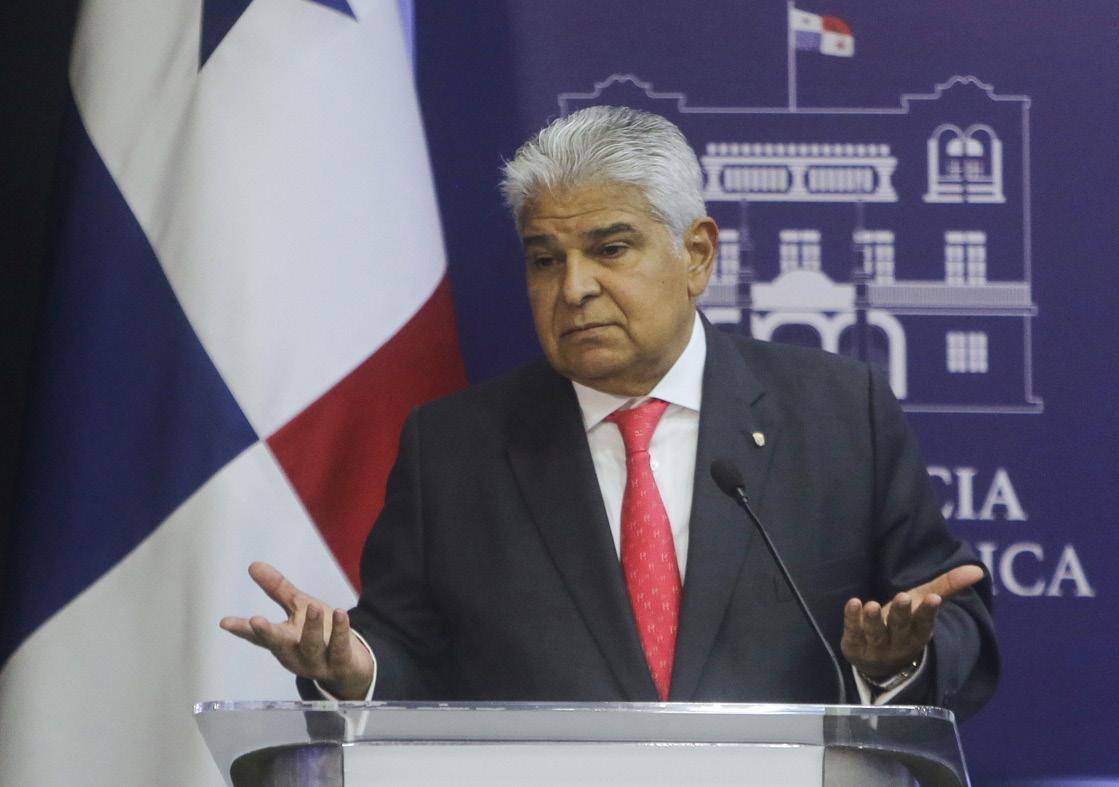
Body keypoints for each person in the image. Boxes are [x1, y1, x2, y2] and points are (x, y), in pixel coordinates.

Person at [221, 106, 997, 718]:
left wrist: (897, 659)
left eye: (610, 249)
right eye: (544, 259)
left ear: (696, 254)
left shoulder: (838, 414)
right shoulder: (453, 446)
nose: (573, 288)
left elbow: (954, 619)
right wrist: (354, 668)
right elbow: (411, 651)